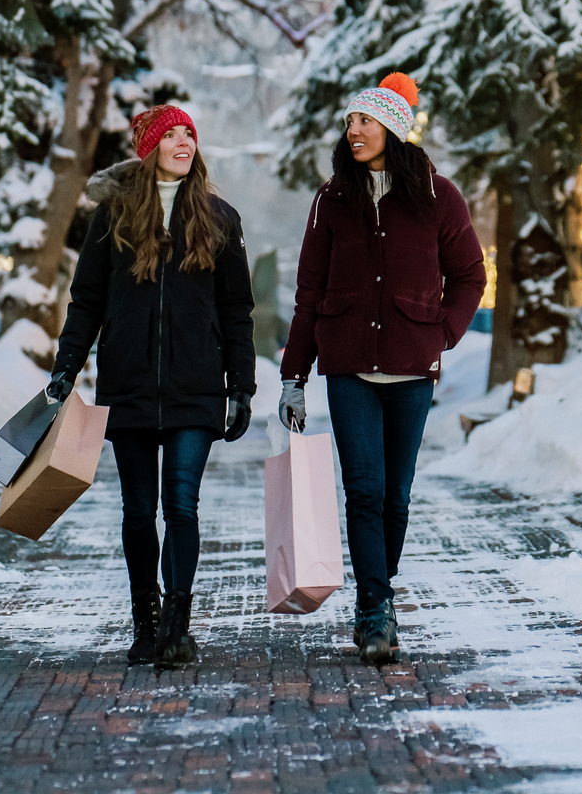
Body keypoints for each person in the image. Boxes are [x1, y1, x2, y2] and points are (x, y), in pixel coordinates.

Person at [279, 73, 486, 664]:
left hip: (411, 369)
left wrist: (441, 331)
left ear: (392, 128)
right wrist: (294, 375)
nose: (352, 131)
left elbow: (471, 274)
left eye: (363, 121)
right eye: (349, 122)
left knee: (396, 495)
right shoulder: (331, 199)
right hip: (348, 369)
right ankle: (374, 606)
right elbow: (309, 290)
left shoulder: (438, 196)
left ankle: (380, 592)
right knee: (364, 491)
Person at [49, 104, 255, 668]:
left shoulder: (220, 219)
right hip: (130, 385)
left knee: (180, 506)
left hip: (195, 387)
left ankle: (176, 626)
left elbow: (237, 309)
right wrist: (67, 365)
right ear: (149, 148)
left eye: (190, 133)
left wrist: (242, 384)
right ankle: (146, 622)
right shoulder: (113, 219)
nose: (184, 142)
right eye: (172, 135)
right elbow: (87, 301)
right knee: (138, 511)